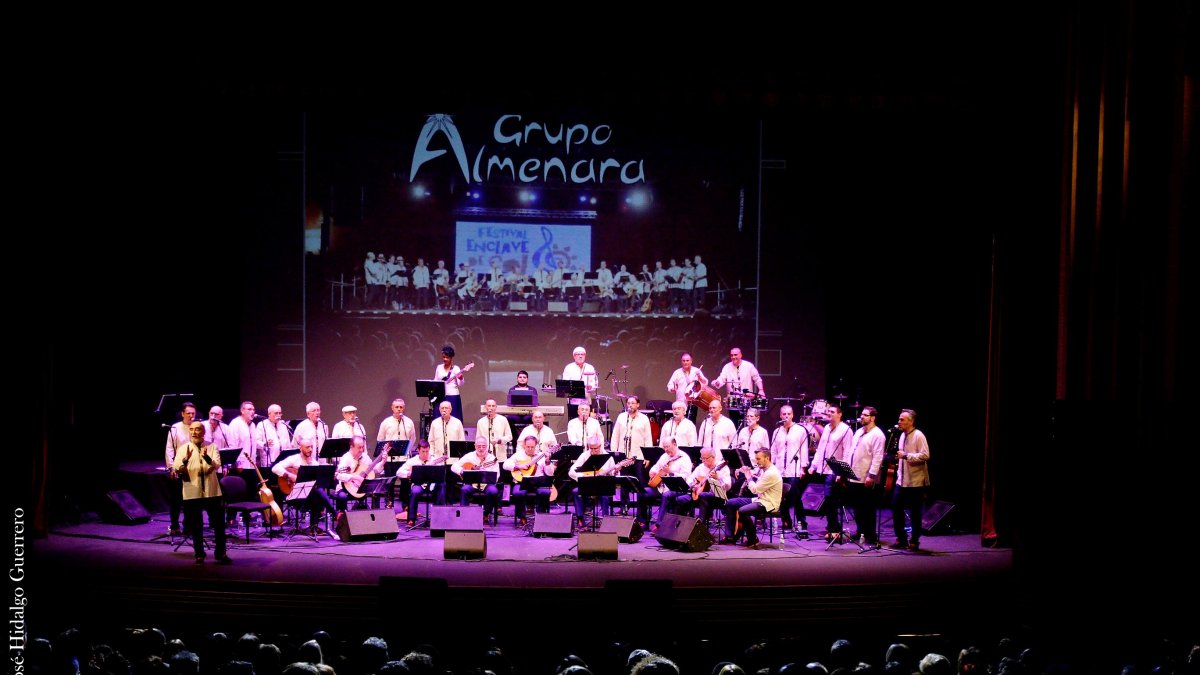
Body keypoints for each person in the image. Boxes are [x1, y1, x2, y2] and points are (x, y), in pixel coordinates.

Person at [172, 421, 229, 564]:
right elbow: (178, 467)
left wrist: (207, 458)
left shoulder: (212, 446)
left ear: (203, 432)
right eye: (191, 429)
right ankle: (199, 553)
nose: (194, 432)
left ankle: (220, 553)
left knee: (218, 524)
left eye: (197, 429)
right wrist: (185, 460)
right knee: (196, 525)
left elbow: (216, 465)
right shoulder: (183, 448)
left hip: (212, 492)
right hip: (192, 491)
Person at [272, 434, 336, 535]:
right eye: (307, 447)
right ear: (300, 448)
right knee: (318, 492)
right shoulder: (293, 459)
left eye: (311, 447)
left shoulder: (314, 463)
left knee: (317, 493)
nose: (310, 449)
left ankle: (313, 528)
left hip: (308, 495)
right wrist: (289, 475)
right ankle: (335, 514)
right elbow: (275, 468)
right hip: (294, 494)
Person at [722, 448, 782, 548]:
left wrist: (748, 476)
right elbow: (760, 483)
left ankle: (752, 538)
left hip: (768, 503)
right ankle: (730, 536)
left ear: (767, 458)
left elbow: (755, 490)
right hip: (760, 499)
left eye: (758, 459)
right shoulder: (765, 469)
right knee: (731, 503)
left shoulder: (771, 473)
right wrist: (750, 475)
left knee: (742, 511)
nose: (757, 462)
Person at [810, 404, 854, 541]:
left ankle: (834, 529)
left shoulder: (846, 430)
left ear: (840, 414)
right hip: (826, 469)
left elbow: (848, 452)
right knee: (829, 500)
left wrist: (842, 472)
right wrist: (814, 465)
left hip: (836, 470)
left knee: (831, 499)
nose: (829, 413)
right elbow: (821, 448)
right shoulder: (827, 428)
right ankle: (832, 527)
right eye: (828, 411)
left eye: (832, 411)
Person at [845, 406, 886, 547]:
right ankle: (861, 530)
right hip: (854, 475)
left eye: (865, 415)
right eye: (862, 414)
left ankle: (871, 535)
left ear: (873, 418)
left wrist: (872, 475)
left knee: (868, 507)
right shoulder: (859, 431)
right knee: (857, 507)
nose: (862, 417)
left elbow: (878, 457)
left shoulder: (878, 435)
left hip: (866, 477)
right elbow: (852, 451)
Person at [890, 409, 931, 551]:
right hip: (902, 480)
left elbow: (925, 455)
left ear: (911, 421)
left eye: (902, 419)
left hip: (916, 482)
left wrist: (907, 455)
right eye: (899, 419)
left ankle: (914, 540)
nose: (899, 422)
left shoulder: (918, 435)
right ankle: (901, 539)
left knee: (915, 512)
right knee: (895, 508)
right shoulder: (902, 435)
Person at [770, 405, 810, 534]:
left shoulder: (800, 430)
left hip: (794, 468)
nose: (786, 416)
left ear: (792, 415)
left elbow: (804, 449)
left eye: (788, 414)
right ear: (780, 416)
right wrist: (772, 467)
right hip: (780, 469)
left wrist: (803, 467)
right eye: (783, 414)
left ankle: (802, 522)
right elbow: (774, 451)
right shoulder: (777, 431)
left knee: (795, 496)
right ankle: (786, 521)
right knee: (781, 497)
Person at [163, 401, 198, 536]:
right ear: (182, 414)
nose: (191, 415)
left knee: (191, 500)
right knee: (176, 499)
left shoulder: (197, 427)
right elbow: (169, 449)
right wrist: (171, 468)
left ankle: (188, 525)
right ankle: (174, 525)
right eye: (188, 413)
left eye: (193, 413)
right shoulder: (175, 428)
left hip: (193, 469)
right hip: (179, 468)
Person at [567, 434, 616, 527]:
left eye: (595, 449)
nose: (593, 451)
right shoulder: (584, 455)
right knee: (575, 491)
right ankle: (580, 519)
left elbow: (613, 474)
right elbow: (571, 471)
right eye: (591, 448)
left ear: (600, 446)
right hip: (587, 485)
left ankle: (606, 521)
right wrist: (584, 476)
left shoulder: (608, 457)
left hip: (602, 487)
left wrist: (614, 472)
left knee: (604, 496)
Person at [646, 436, 694, 530]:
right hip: (661, 487)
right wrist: (652, 472)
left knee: (666, 495)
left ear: (675, 444)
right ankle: (642, 522)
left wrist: (670, 472)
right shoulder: (664, 456)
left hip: (678, 489)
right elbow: (655, 467)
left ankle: (659, 525)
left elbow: (686, 476)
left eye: (668, 447)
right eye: (664, 447)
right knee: (643, 492)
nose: (666, 449)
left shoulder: (684, 458)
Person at [395, 439, 445, 526]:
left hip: (432, 484)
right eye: (423, 451)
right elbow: (398, 472)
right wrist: (409, 474)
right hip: (419, 485)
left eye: (427, 451)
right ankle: (411, 519)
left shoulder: (434, 460)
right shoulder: (412, 461)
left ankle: (437, 517)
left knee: (442, 486)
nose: (425, 454)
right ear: (418, 450)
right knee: (414, 491)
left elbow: (440, 473)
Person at [676, 447, 731, 525]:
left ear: (713, 457)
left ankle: (700, 526)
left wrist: (718, 478)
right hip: (699, 495)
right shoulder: (701, 467)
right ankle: (679, 526)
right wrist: (693, 485)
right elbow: (690, 479)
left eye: (705, 458)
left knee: (703, 495)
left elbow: (728, 486)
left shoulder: (723, 467)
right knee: (680, 499)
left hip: (717, 497)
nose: (703, 461)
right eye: (702, 458)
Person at [452, 437, 500, 521]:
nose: (481, 449)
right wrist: (462, 471)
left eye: (483, 446)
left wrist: (486, 474)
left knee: (493, 491)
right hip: (472, 484)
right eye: (479, 446)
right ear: (475, 446)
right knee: (464, 489)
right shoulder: (469, 456)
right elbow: (454, 466)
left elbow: (496, 476)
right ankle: (464, 515)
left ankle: (486, 513)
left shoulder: (492, 459)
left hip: (486, 484)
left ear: (487, 446)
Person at [503, 435, 548, 525]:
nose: (530, 449)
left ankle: (540, 517)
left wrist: (548, 462)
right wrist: (518, 466)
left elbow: (549, 473)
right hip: (522, 482)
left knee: (545, 492)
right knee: (518, 493)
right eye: (528, 446)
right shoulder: (518, 455)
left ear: (536, 446)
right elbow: (505, 465)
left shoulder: (541, 456)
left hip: (538, 483)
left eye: (532, 447)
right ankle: (522, 517)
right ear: (524, 445)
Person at [332, 436, 371, 514]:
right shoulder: (346, 458)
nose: (361, 450)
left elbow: (374, 469)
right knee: (342, 497)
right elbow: (339, 475)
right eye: (359, 447)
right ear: (351, 447)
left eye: (362, 447)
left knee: (374, 492)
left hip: (359, 489)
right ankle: (343, 518)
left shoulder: (365, 457)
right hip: (345, 489)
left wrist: (382, 461)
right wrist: (355, 477)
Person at [610, 396, 653, 461]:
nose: (630, 405)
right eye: (628, 403)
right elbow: (615, 436)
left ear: (638, 405)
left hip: (638, 456)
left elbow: (648, 439)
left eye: (633, 403)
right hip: (623, 456)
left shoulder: (644, 418)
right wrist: (614, 452)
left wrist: (648, 457)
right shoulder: (621, 417)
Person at [434, 345, 469, 422]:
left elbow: (460, 384)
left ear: (451, 358)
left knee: (454, 417)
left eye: (447, 357)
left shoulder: (456, 368)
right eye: (443, 357)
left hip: (453, 396)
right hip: (440, 396)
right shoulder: (439, 367)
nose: (445, 359)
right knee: (438, 418)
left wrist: (461, 378)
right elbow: (435, 380)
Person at [561, 346, 598, 419]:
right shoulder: (569, 367)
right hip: (573, 401)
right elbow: (565, 383)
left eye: (582, 354)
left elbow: (595, 382)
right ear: (574, 356)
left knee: (586, 422)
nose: (580, 356)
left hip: (586, 401)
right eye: (578, 354)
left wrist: (591, 387)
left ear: (585, 356)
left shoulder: (590, 367)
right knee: (573, 421)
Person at [255, 404, 295, 468]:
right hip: (269, 462)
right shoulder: (262, 425)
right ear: (269, 414)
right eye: (276, 413)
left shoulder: (283, 425)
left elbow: (287, 444)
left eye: (280, 413)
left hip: (283, 461)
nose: (278, 415)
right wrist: (264, 444)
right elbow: (256, 442)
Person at [226, 401, 260, 472]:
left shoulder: (253, 425)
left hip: (252, 465)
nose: (252, 412)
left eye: (253, 410)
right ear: (242, 411)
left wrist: (264, 444)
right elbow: (232, 445)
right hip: (240, 466)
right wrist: (238, 462)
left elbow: (253, 443)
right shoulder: (235, 423)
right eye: (249, 409)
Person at [505, 370, 538, 435]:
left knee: (536, 418)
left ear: (527, 379)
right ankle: (514, 439)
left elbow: (536, 403)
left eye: (524, 377)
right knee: (507, 419)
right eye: (520, 377)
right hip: (515, 415)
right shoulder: (512, 389)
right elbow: (509, 403)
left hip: (528, 415)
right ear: (517, 379)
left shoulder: (533, 389)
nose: (522, 379)